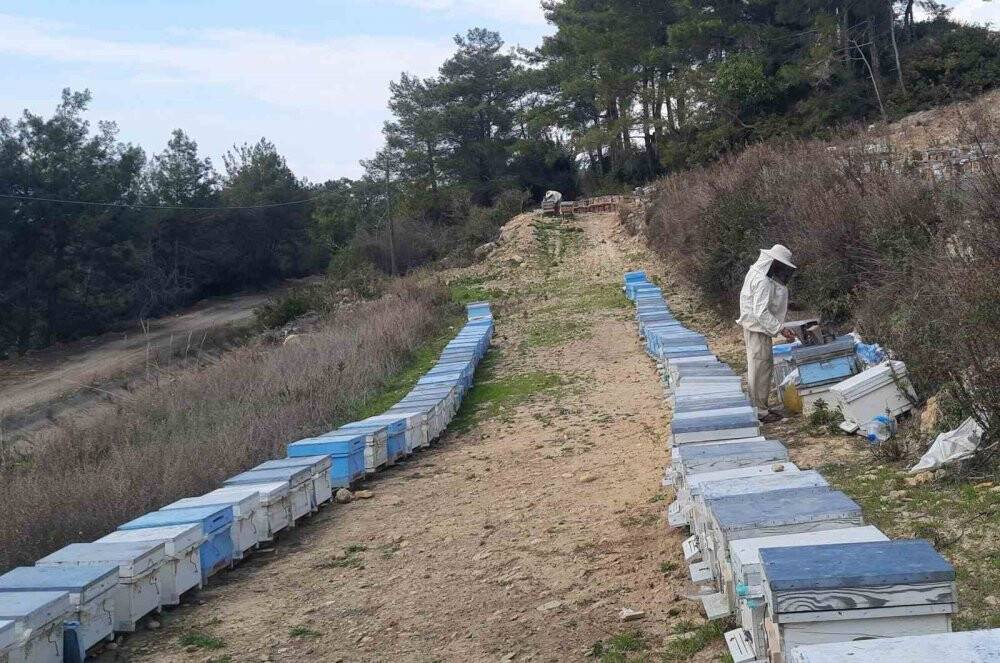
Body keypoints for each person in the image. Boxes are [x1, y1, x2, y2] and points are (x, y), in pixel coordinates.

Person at [737, 244, 797, 423]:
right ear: (773, 263)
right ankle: (760, 411)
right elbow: (761, 312)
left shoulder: (756, 273)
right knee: (759, 368)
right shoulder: (763, 280)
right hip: (757, 328)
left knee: (762, 366)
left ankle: (760, 407)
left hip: (755, 327)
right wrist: (781, 329)